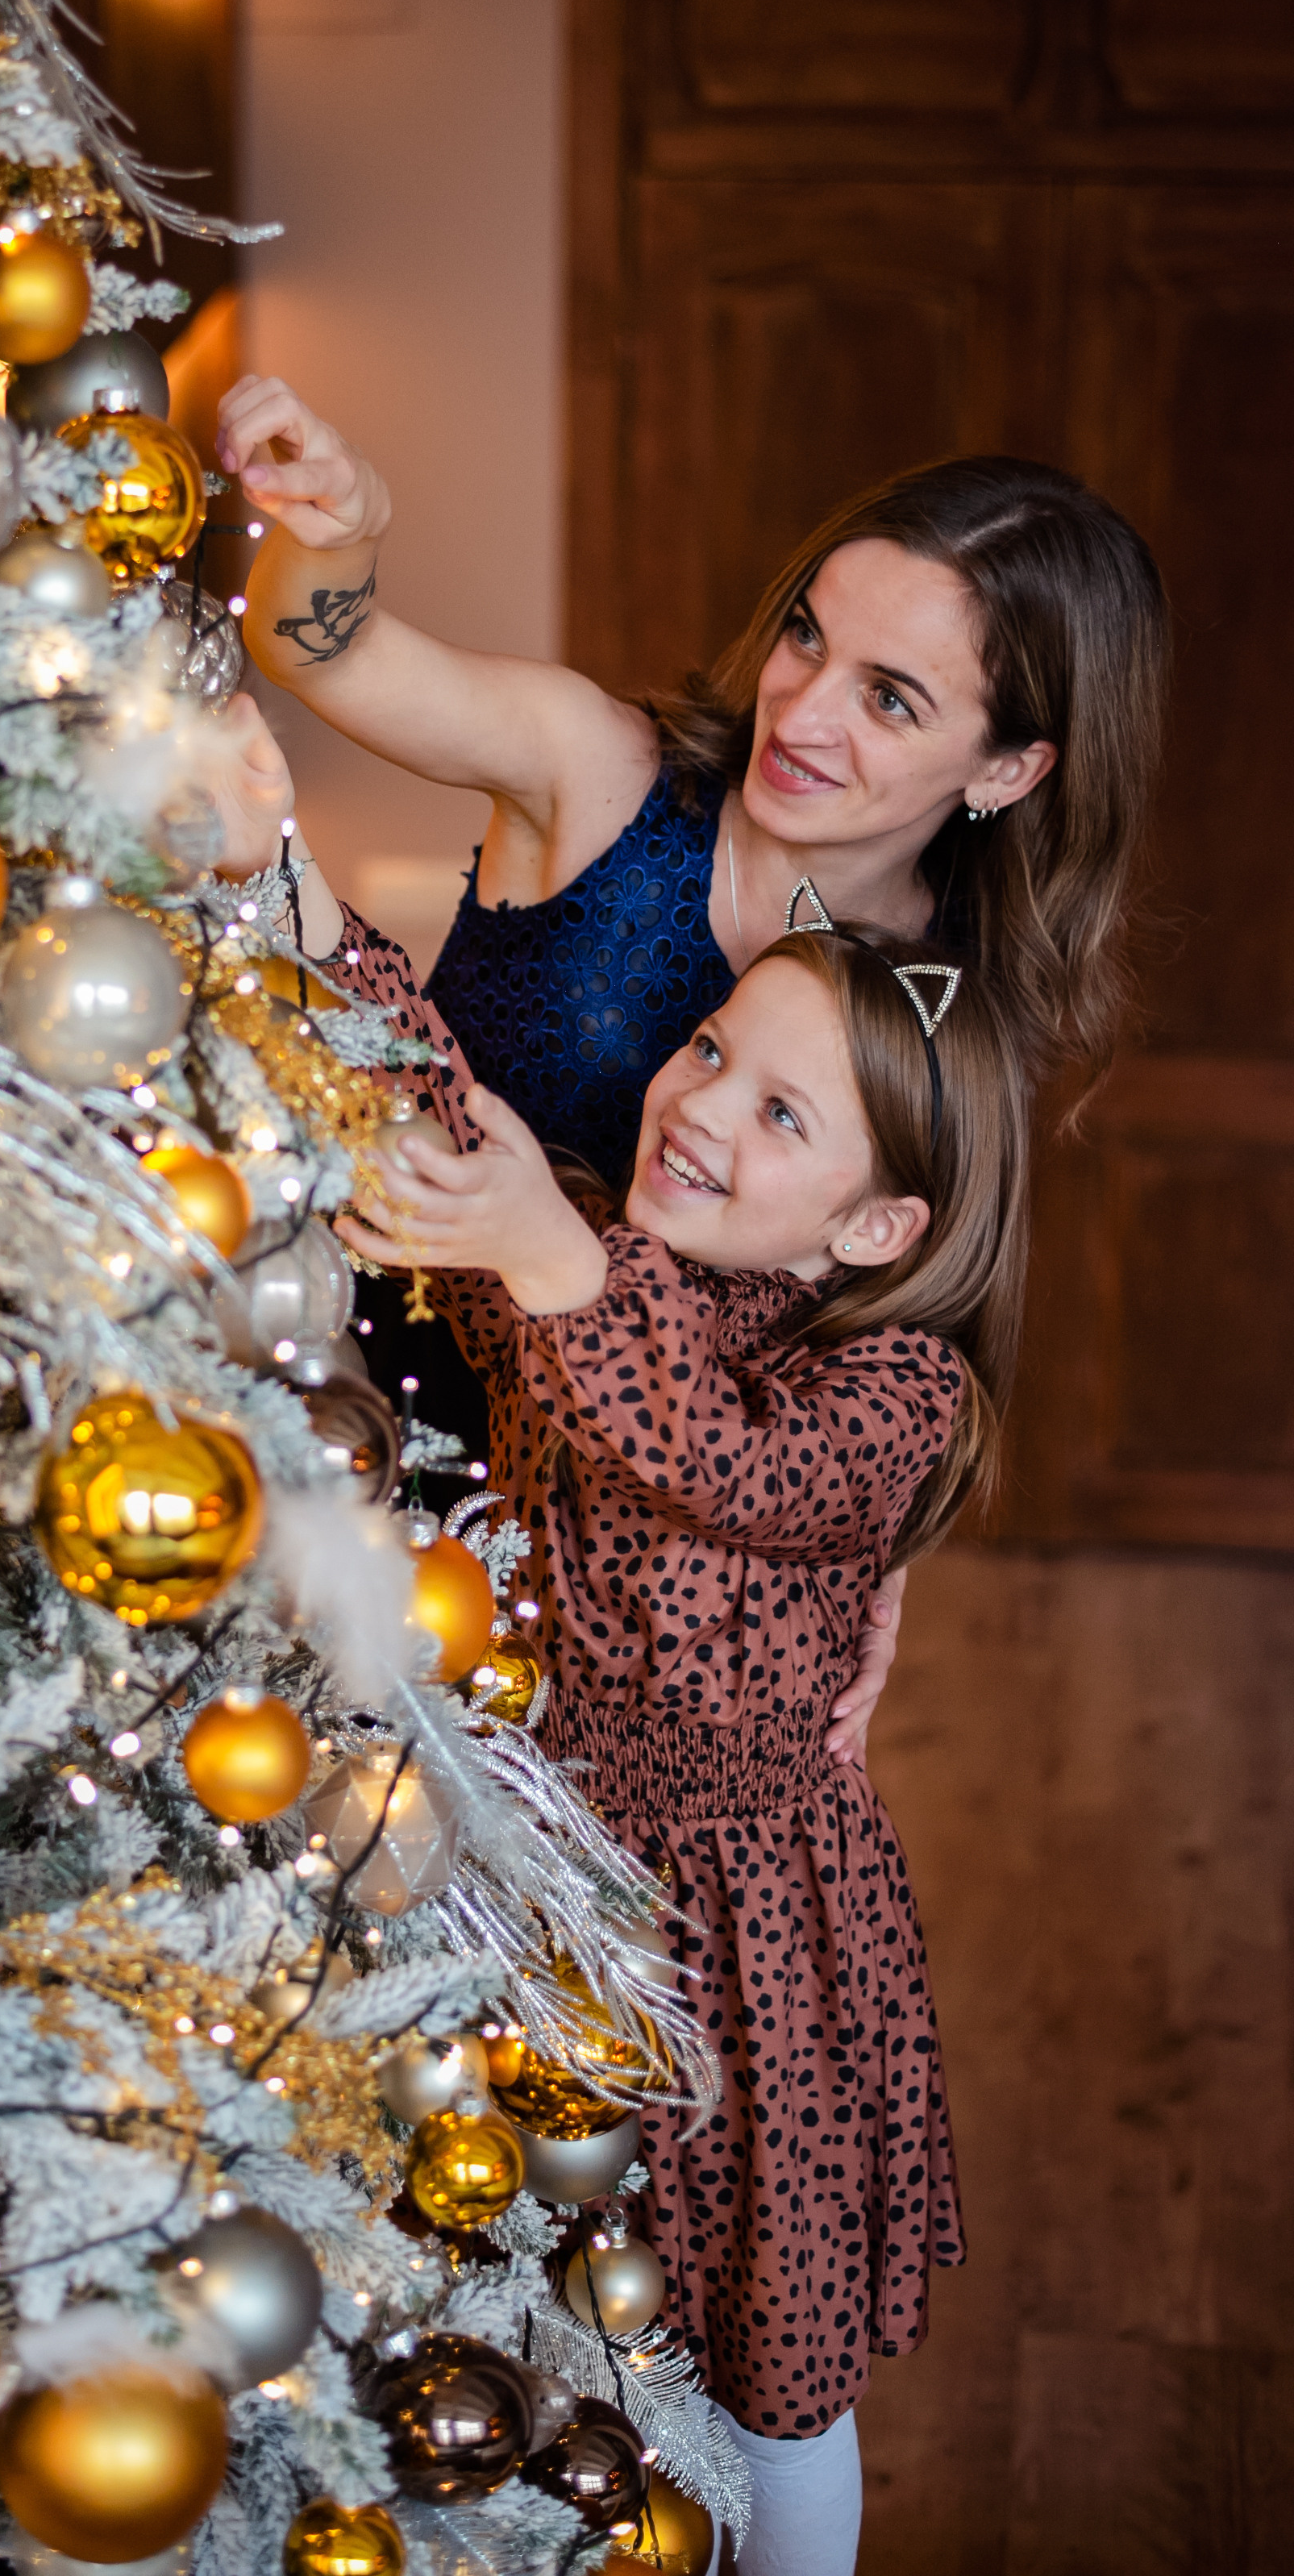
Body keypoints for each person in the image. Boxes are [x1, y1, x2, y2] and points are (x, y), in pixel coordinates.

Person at [214, 377, 1170, 1759]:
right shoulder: (597, 771)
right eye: (807, 638)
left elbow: (894, 1321)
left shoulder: (943, 1012)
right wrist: (340, 532)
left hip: (593, 1572)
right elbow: (325, 650)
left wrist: (863, 1558)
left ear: (1010, 770)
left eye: (891, 699)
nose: (804, 711)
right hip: (320, 1395)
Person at [324, 879, 1031, 2576]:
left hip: (748, 1935)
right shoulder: (602, 1269)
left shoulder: (889, 1394)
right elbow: (451, 1121)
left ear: (876, 1226)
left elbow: (713, 1454)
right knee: (553, 2303)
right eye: (709, 1047)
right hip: (544, 1873)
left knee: (763, 2361)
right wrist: (298, 896)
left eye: (778, 1109)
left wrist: (550, 1253)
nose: (697, 1100)